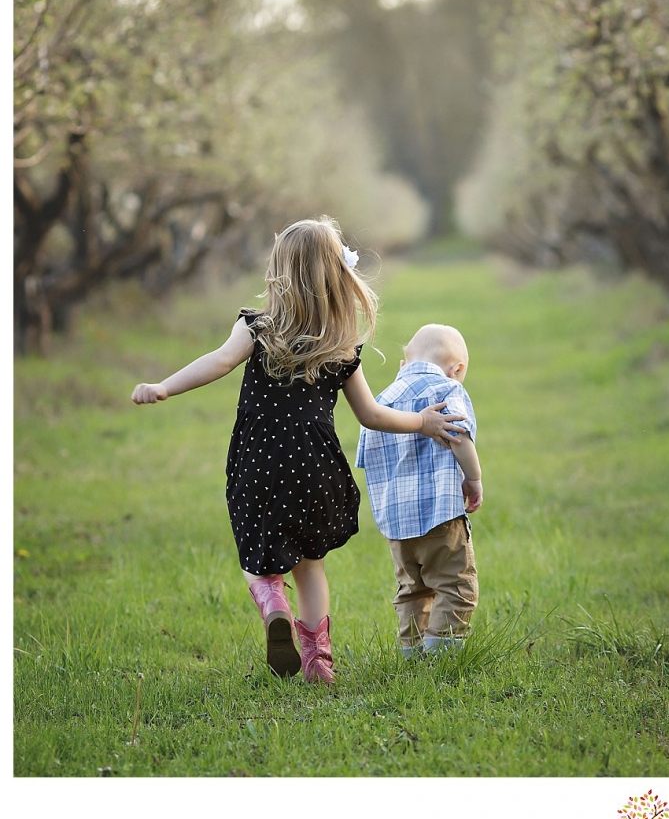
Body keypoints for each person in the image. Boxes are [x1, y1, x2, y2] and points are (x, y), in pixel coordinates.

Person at [130, 217, 466, 686]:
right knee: (311, 567)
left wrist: (164, 386)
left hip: (259, 464)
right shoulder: (340, 347)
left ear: (280, 273)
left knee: (258, 561)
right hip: (317, 469)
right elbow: (371, 414)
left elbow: (219, 362)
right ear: (336, 278)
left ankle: (271, 603)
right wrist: (423, 422)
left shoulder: (257, 328)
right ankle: (318, 661)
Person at [355, 323, 483, 656]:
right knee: (455, 586)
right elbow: (460, 438)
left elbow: (366, 458)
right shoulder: (447, 389)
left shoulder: (382, 401)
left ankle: (412, 653)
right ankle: (440, 659)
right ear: (458, 369)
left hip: (396, 522)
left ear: (403, 364)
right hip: (439, 513)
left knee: (412, 590)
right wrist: (473, 479)